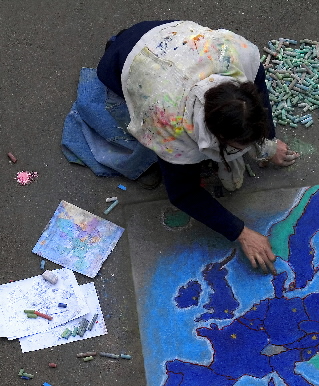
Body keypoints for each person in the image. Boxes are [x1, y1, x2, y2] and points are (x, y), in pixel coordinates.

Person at [97, 20, 299, 274]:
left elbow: (259, 94)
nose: (246, 150)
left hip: (165, 37)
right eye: (237, 146)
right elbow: (183, 193)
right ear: (213, 135)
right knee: (147, 153)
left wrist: (267, 141)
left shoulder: (240, 56)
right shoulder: (170, 127)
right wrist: (241, 233)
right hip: (127, 62)